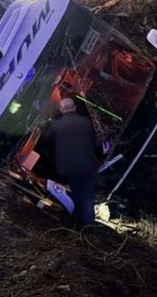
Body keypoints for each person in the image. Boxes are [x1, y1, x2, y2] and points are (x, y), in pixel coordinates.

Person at [42, 97, 99, 228]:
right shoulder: (85, 122)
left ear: (62, 110)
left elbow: (46, 139)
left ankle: (78, 223)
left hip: (68, 166)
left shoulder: (56, 125)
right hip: (86, 164)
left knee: (76, 193)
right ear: (74, 108)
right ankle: (88, 225)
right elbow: (95, 142)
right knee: (87, 196)